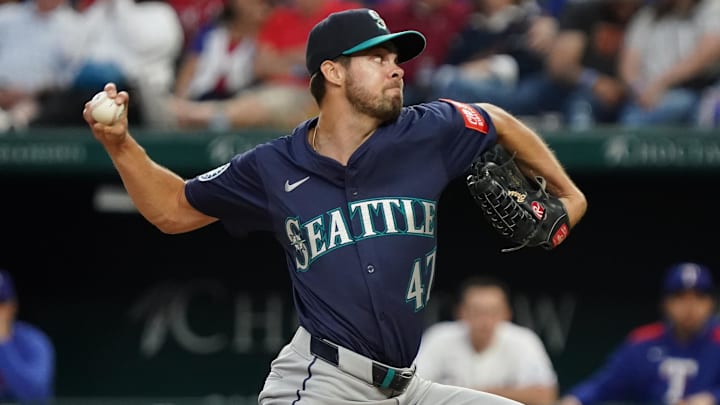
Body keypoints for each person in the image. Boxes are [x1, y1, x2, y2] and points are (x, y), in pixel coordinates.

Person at [82, 7, 587, 404]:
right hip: (325, 382)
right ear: (334, 71)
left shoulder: (426, 131)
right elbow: (172, 208)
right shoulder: (271, 165)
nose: (397, 69)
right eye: (378, 59)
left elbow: (496, 120)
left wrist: (569, 195)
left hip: (408, 388)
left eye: (397, 59)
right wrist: (122, 146)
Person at [558, 262, 720, 405]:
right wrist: (575, 400)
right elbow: (604, 385)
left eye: (699, 297)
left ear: (711, 303)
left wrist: (712, 398)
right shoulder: (644, 341)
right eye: (680, 297)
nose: (690, 306)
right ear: (665, 303)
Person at [415, 276, 558, 405]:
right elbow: (413, 388)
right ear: (460, 312)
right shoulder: (440, 336)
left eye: (493, 311)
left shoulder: (523, 340)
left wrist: (470, 395)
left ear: (507, 313)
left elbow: (545, 395)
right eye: (476, 311)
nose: (485, 321)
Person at [0, 269, 55, 404]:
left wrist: (2, 341)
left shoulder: (33, 341)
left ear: (13, 306)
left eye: (0, 305)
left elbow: (34, 395)